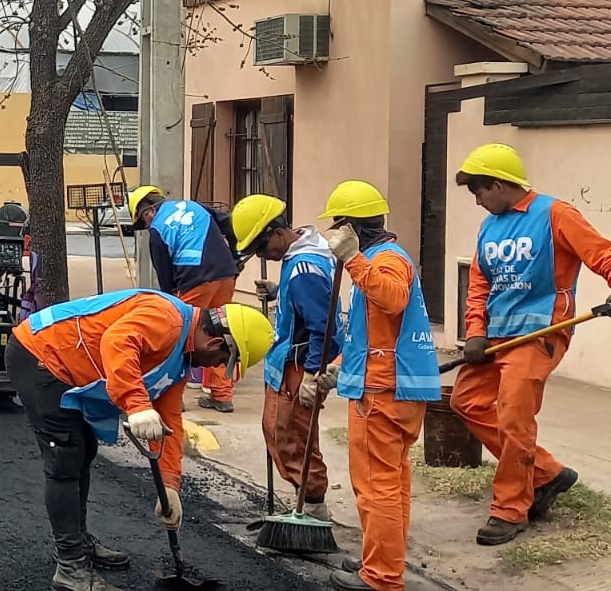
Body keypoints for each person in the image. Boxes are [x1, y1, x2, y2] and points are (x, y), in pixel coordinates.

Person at [6, 288, 273, 591]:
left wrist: (170, 486)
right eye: (221, 359)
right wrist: (138, 404)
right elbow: (117, 342)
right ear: (213, 342)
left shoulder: (180, 357)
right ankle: (70, 568)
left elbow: (169, 422)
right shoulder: (167, 320)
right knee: (65, 456)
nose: (214, 367)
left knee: (84, 449)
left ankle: (77, 544)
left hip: (64, 363)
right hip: (41, 355)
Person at [450, 143, 611, 546]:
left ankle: (510, 509)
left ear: (501, 184)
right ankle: (547, 473)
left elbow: (602, 254)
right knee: (465, 402)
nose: (477, 200)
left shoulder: (555, 214)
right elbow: (481, 283)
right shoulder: (490, 226)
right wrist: (474, 331)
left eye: (480, 191)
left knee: (513, 418)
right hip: (496, 337)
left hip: (540, 334)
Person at [307, 180, 440, 591]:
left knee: (376, 486)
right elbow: (371, 334)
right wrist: (337, 366)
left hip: (381, 392)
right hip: (390, 385)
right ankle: (380, 562)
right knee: (392, 483)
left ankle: (381, 577)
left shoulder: (383, 261)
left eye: (339, 227)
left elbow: (394, 300)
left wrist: (353, 261)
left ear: (351, 228)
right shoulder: (385, 258)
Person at [230, 193, 337, 522]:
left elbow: (323, 325)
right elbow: (310, 304)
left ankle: (313, 504)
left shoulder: (305, 268)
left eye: (261, 248)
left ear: (277, 233)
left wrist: (312, 375)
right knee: (279, 430)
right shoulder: (301, 258)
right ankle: (305, 497)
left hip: (299, 364)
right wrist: (281, 291)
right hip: (289, 359)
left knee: (291, 434)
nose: (263, 255)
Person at [128, 185, 244, 412]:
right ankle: (222, 396)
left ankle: (173, 397)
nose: (147, 227)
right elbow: (230, 223)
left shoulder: (158, 231)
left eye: (143, 222)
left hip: (194, 282)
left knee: (181, 338)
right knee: (221, 332)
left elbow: (165, 277)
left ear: (148, 211)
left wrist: (171, 304)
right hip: (226, 275)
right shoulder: (195, 206)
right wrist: (234, 256)